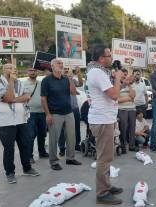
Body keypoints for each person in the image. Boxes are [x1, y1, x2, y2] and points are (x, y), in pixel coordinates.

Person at [86, 46, 124, 205]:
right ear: (102, 58)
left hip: (104, 119)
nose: (111, 57)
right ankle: (102, 193)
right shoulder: (98, 73)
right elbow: (114, 95)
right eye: (109, 55)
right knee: (104, 158)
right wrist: (117, 78)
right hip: (102, 121)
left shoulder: (99, 71)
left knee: (107, 156)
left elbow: (111, 92)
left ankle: (106, 186)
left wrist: (119, 79)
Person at [0, 64, 40, 184]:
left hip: (21, 120)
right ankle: (10, 173)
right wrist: (11, 84)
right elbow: (7, 97)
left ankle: (27, 168)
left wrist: (13, 99)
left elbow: (27, 96)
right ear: (3, 70)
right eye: (9, 68)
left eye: (14, 68)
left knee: (25, 145)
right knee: (9, 149)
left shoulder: (20, 83)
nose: (13, 70)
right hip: (6, 123)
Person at [41, 59, 81, 171]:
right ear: (52, 66)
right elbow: (43, 99)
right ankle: (53, 161)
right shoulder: (46, 80)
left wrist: (70, 79)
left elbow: (73, 93)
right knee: (54, 138)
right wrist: (48, 114)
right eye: (58, 63)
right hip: (54, 113)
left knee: (71, 136)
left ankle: (70, 158)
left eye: (61, 64)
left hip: (68, 112)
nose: (61, 65)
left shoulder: (65, 79)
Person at [22, 68, 49, 163]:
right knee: (31, 135)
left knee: (42, 134)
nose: (33, 72)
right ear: (27, 72)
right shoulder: (23, 84)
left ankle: (42, 152)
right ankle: (29, 156)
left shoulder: (41, 83)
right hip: (30, 113)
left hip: (42, 112)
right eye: (30, 70)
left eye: (34, 70)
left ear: (37, 72)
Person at [58, 66, 84, 156]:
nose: (66, 70)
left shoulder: (72, 80)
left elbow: (81, 84)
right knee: (62, 130)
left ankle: (76, 144)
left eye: (67, 69)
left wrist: (78, 73)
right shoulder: (58, 81)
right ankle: (62, 148)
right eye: (64, 68)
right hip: (62, 109)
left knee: (76, 127)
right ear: (61, 70)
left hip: (74, 108)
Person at [117, 69, 138, 153]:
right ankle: (123, 146)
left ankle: (131, 146)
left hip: (132, 109)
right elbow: (117, 99)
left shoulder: (131, 85)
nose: (125, 77)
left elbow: (133, 96)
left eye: (126, 75)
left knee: (132, 128)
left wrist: (129, 85)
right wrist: (129, 98)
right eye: (124, 75)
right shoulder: (117, 85)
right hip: (122, 109)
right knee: (123, 128)